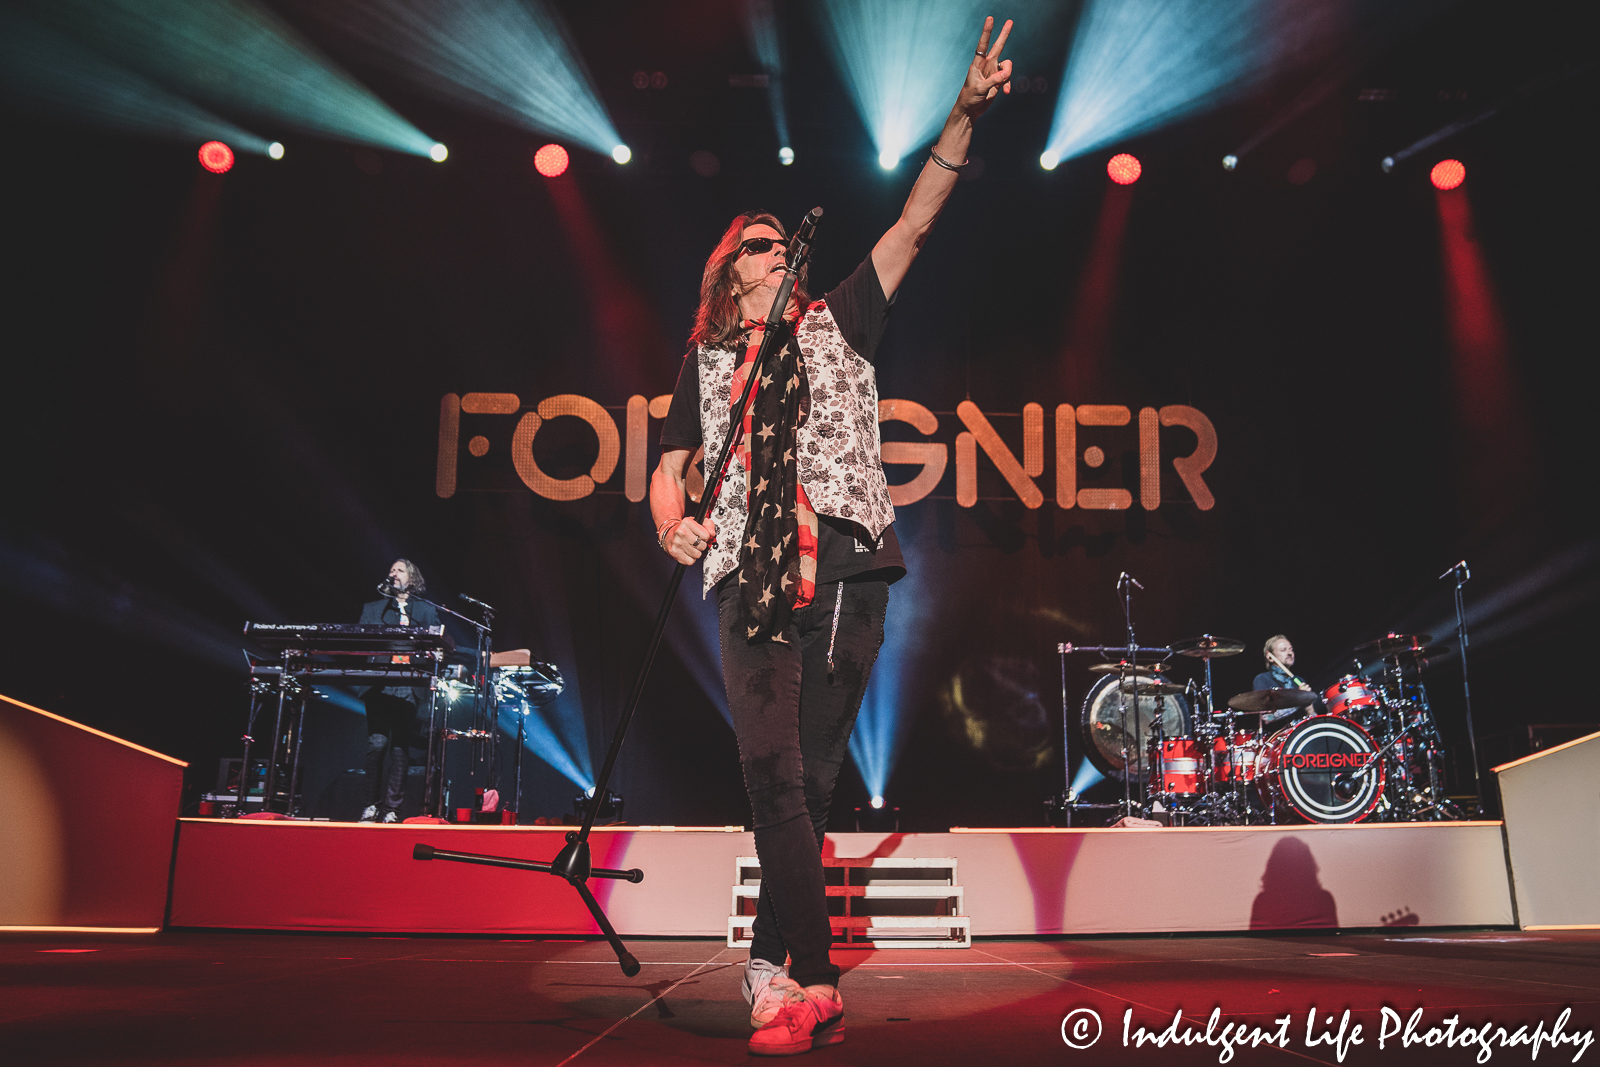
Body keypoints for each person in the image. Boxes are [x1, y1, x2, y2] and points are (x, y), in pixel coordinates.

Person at [650, 16, 1014, 1057]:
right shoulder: (707, 369)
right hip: (745, 580)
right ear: (733, 272)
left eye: (779, 239)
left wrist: (959, 116)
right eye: (759, 242)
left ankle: (775, 968)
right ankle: (809, 975)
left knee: (807, 783)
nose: (778, 250)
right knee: (769, 773)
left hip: (849, 564)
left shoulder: (838, 319)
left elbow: (914, 222)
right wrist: (674, 522)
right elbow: (665, 469)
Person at [357, 559, 442, 823]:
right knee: (377, 744)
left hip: (409, 685)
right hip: (380, 683)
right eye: (391, 570)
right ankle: (371, 804)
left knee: (399, 747)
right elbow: (360, 641)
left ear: (412, 578)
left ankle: (392, 809)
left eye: (399, 570)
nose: (393, 573)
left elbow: (439, 642)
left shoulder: (426, 610)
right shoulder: (374, 609)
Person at [1254, 634, 1320, 722]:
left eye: (1291, 649)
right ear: (1270, 657)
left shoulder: (1299, 681)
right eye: (1283, 650)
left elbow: (1312, 717)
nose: (1290, 653)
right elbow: (1267, 718)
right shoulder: (1263, 679)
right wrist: (1298, 700)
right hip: (1279, 734)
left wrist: (1310, 708)